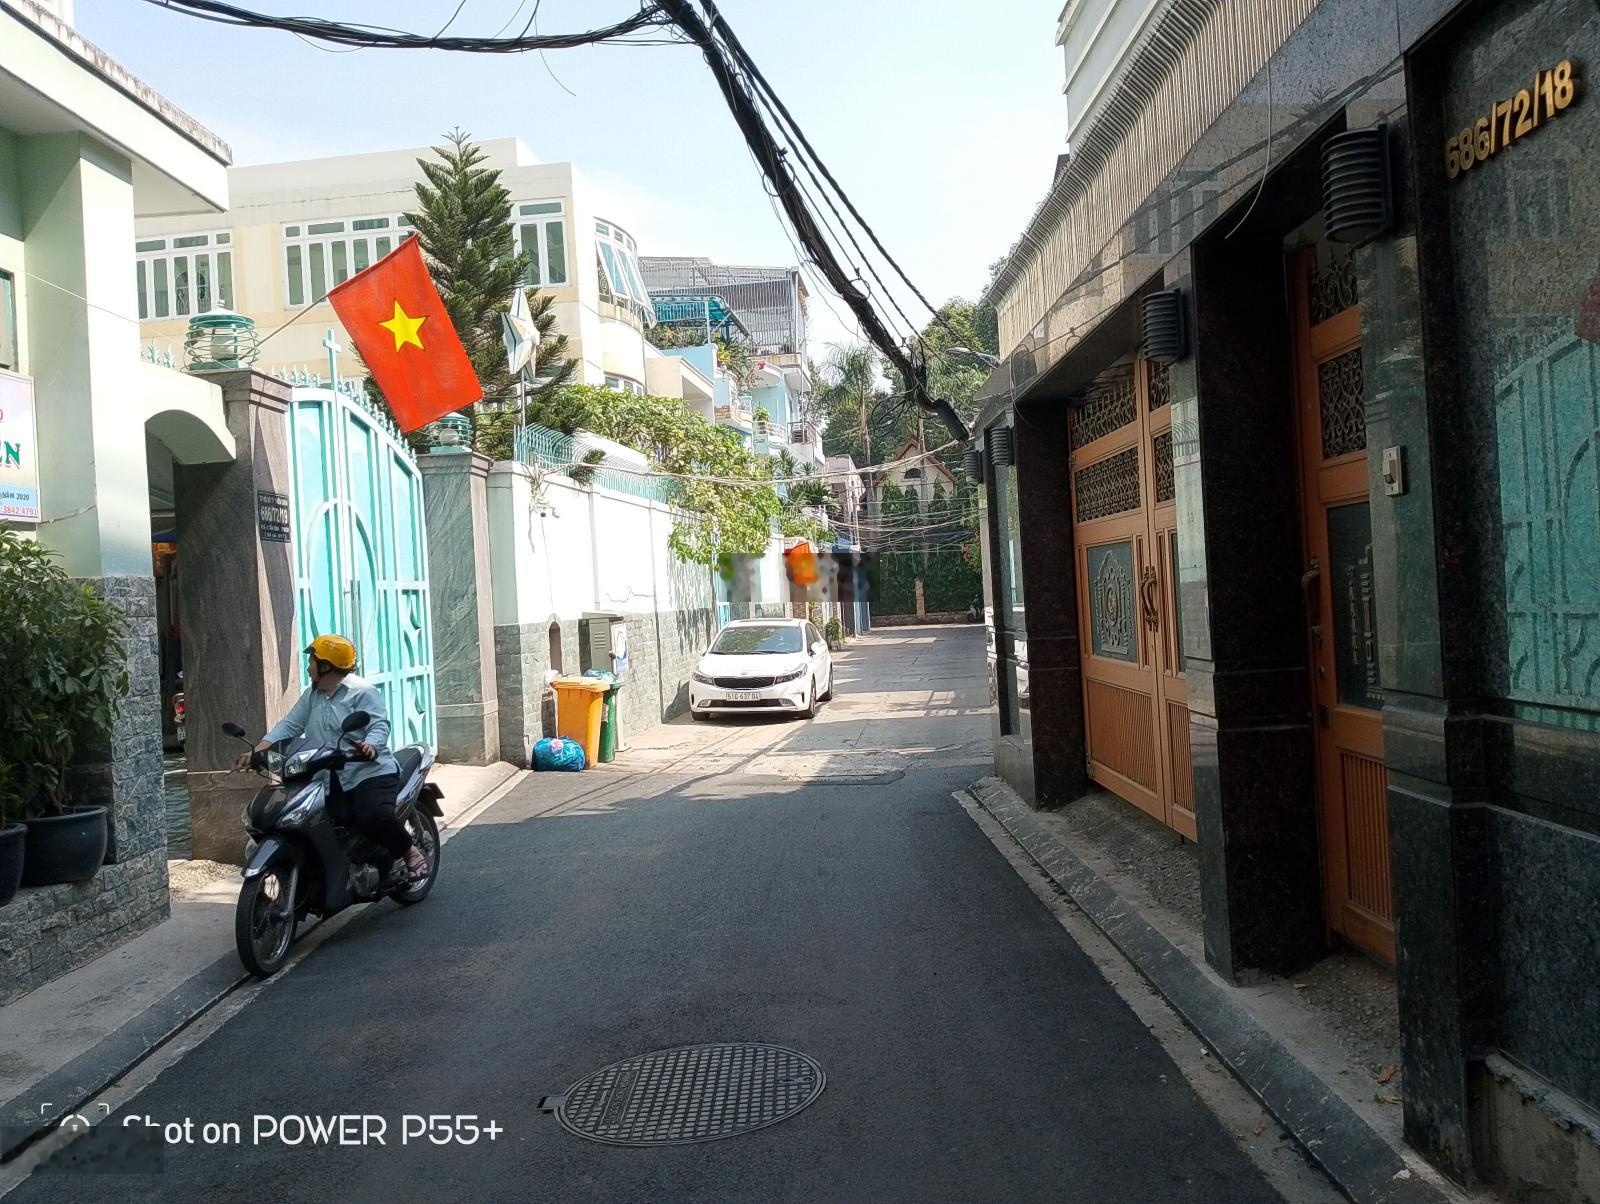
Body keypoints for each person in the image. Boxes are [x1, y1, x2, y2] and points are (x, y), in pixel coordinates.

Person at [236, 634, 428, 884]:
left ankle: (410, 853)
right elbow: (289, 725)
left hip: (367, 772)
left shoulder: (362, 692)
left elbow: (379, 725)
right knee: (314, 824)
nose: (308, 667)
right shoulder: (311, 696)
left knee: (372, 817)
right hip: (325, 775)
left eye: (312, 662)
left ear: (325, 666)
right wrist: (258, 751)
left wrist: (370, 745)